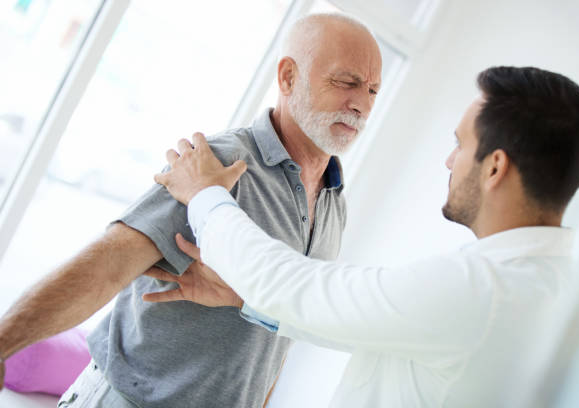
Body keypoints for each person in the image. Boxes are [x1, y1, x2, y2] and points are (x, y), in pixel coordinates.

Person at [146, 66, 579, 407]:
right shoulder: (546, 283)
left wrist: (205, 195)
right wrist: (243, 298)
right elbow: (382, 324)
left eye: (460, 144)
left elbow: (299, 286)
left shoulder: (485, 289)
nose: (448, 161)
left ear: (495, 167)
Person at [0, 13, 382, 408]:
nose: (361, 105)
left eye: (373, 90)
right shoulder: (215, 163)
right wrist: (3, 342)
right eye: (346, 82)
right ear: (288, 78)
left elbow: (278, 338)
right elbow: (108, 264)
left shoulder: (334, 201)